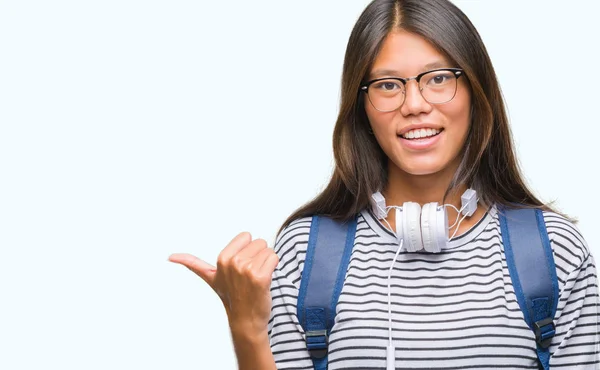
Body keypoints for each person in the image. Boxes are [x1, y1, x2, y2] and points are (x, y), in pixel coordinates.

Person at [169, 0, 600, 368]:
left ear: (476, 89)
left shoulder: (554, 251)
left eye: (438, 78)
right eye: (389, 85)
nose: (415, 104)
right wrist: (246, 329)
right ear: (362, 107)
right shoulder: (304, 254)